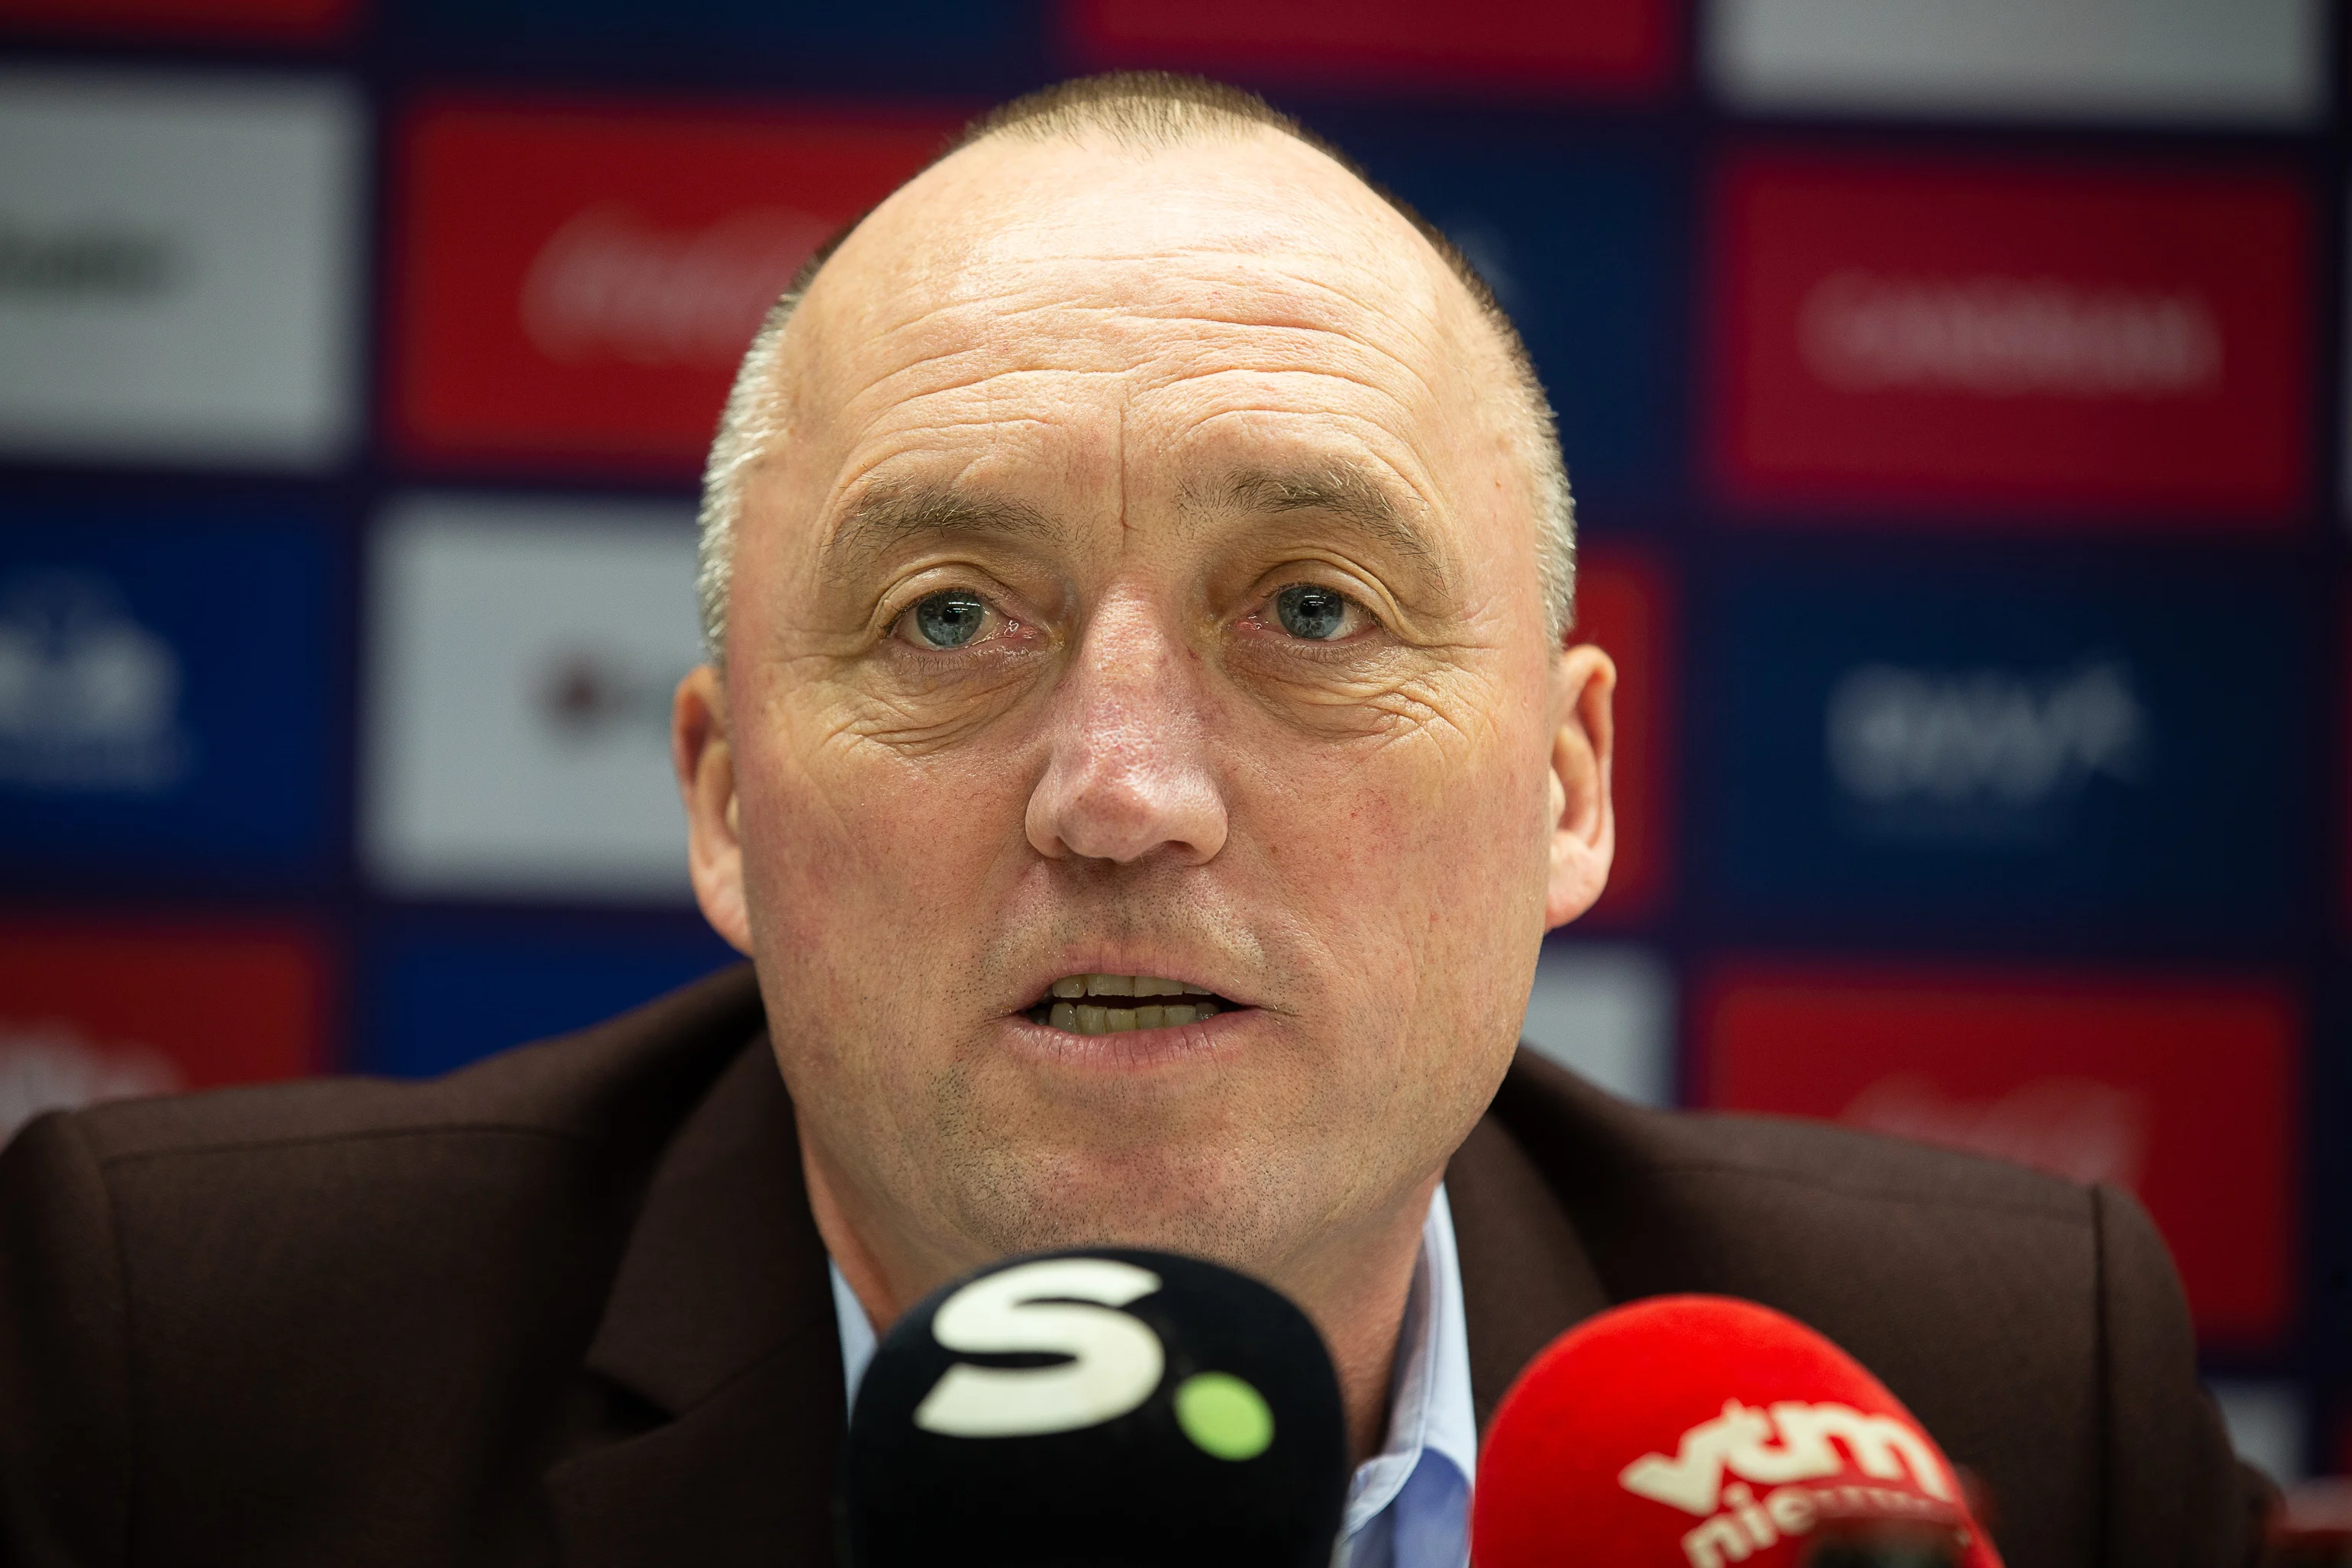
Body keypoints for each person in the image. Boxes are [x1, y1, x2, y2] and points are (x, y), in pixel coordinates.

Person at [0, 74, 2260, 1568]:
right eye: (952, 610)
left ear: (1568, 783)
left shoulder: (1985, 1396)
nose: (1123, 791)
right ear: (721, 800)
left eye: (1307, 603)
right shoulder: (196, 1374)